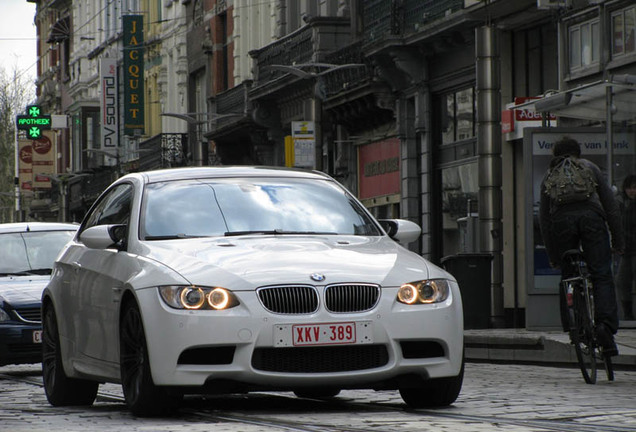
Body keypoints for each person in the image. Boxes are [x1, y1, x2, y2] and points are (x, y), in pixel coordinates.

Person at [539, 136, 624, 356]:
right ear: (578, 152)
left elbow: (545, 221)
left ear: (555, 154)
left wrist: (554, 256)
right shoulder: (590, 167)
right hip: (592, 219)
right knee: (601, 274)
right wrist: (618, 240)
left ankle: (574, 328)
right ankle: (605, 327)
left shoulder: (550, 174)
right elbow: (611, 207)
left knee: (568, 277)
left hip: (562, 223)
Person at [616, 175, 636, 320]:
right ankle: (628, 314)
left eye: (634, 188)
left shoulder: (624, 205)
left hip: (631, 248)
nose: (631, 191)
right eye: (629, 188)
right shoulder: (621, 203)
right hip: (626, 249)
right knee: (622, 281)